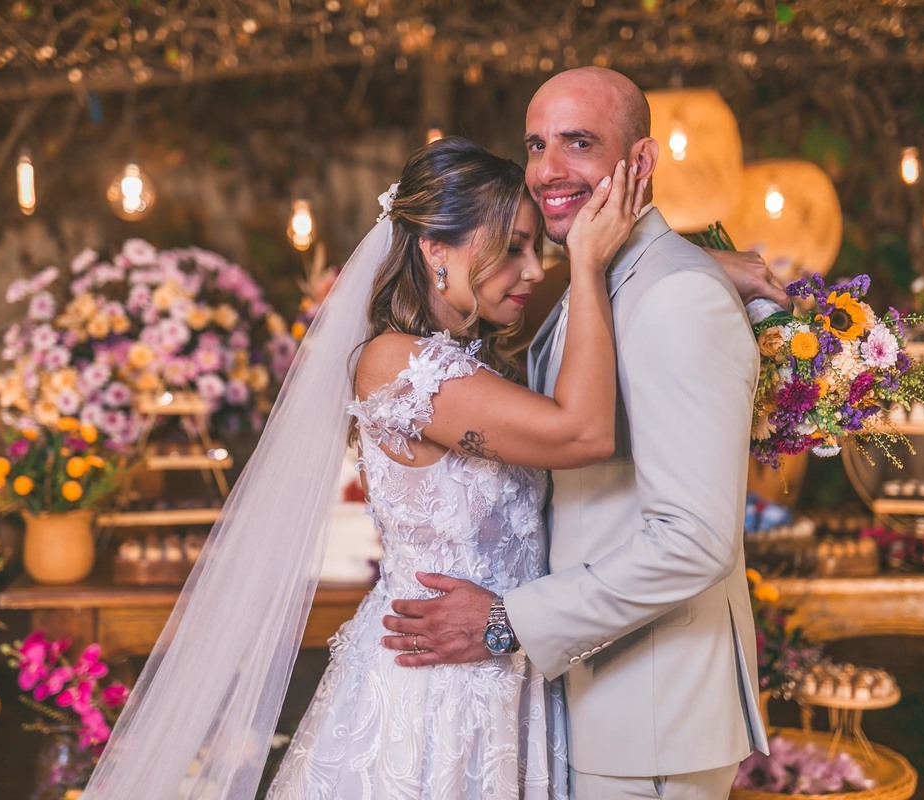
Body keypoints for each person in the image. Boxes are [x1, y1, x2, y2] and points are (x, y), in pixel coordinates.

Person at [85, 138, 781, 798]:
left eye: (537, 248)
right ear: (434, 247)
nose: (534, 270)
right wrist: (591, 263)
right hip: (435, 694)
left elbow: (578, 310)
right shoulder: (397, 364)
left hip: (507, 670)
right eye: (511, 249)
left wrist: (696, 266)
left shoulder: (477, 357)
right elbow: (583, 430)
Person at [382, 67, 773, 800]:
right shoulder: (594, 284)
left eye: (579, 143)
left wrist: (507, 620)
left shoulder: (674, 294)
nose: (548, 170)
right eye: (536, 145)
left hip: (647, 718)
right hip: (581, 701)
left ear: (641, 163)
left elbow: (692, 540)